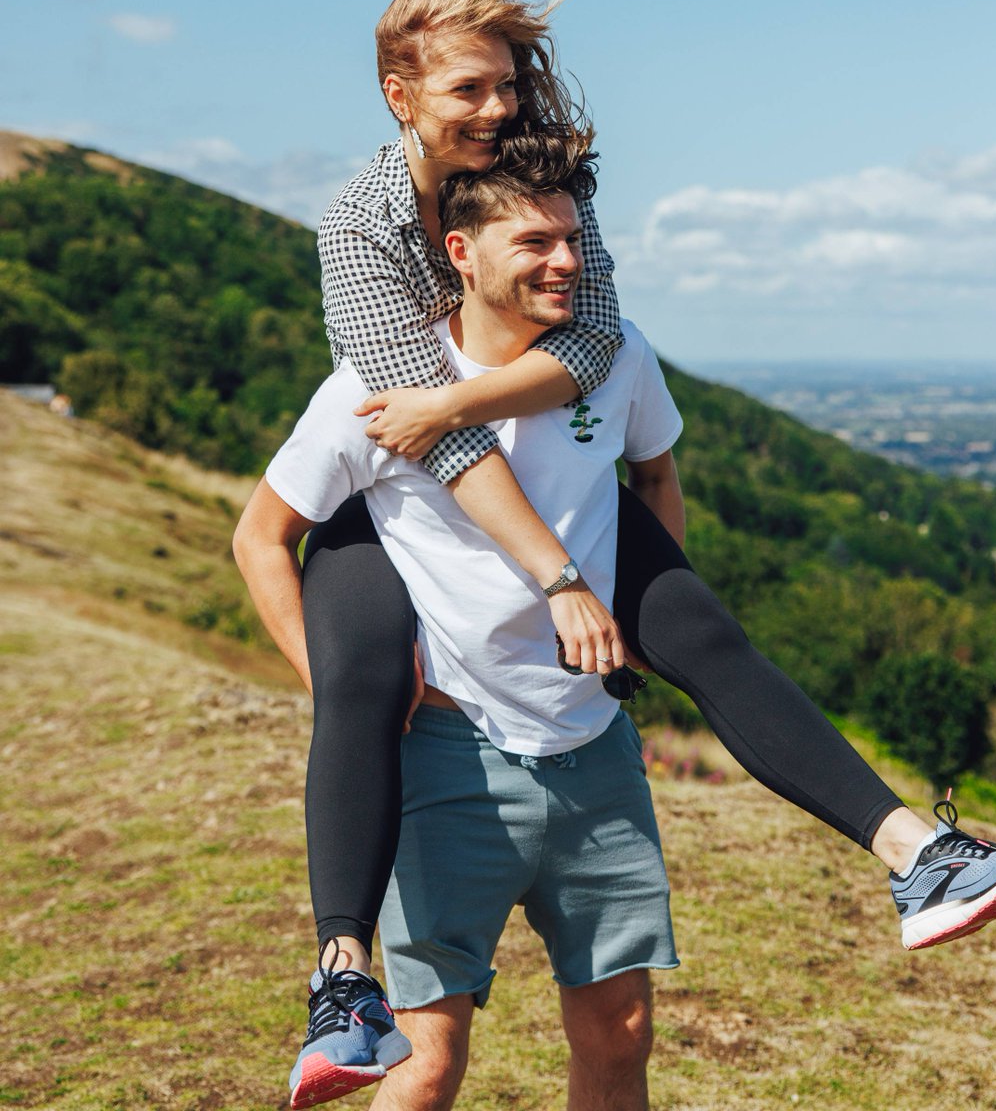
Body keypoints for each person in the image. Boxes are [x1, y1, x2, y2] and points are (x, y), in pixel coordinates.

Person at [254, 0, 996, 1106]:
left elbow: (588, 352)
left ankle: (916, 857)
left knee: (698, 625)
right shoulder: (361, 224)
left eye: (509, 84)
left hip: (482, 441)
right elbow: (415, 428)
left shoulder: (542, 185)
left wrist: (483, 428)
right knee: (364, 676)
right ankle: (342, 977)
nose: (498, 111)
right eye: (470, 90)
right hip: (399, 489)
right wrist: (555, 573)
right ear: (400, 95)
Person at [236, 135, 683, 1110]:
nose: (567, 260)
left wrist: (649, 615)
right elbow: (260, 537)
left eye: (574, 237)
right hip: (446, 756)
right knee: (426, 1060)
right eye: (535, 240)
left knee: (621, 1030)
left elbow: (654, 472)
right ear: (460, 252)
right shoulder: (375, 386)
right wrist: (344, 695)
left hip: (593, 744)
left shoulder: (617, 358)